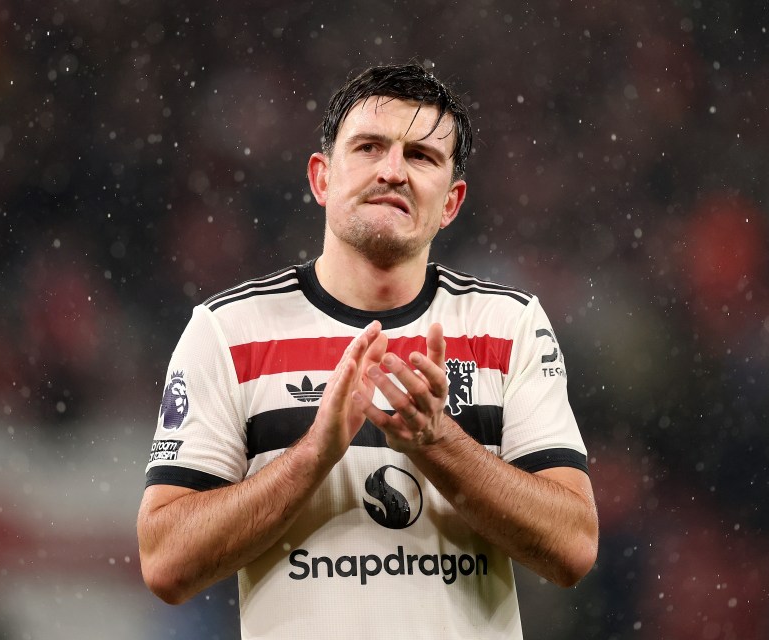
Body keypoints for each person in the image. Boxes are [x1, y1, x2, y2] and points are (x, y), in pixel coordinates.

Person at [137, 62, 598, 639]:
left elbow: (573, 547)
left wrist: (439, 443)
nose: (393, 171)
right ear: (322, 177)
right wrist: (313, 456)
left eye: (422, 157)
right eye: (369, 147)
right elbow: (165, 563)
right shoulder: (228, 331)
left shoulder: (507, 325)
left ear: (451, 202)